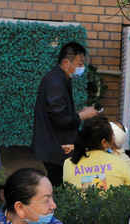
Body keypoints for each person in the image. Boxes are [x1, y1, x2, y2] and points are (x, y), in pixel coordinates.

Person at [32, 42, 101, 188]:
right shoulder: (55, 82)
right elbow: (59, 119)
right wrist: (83, 116)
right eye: (80, 63)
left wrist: (81, 112)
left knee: (61, 186)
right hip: (56, 148)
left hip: (56, 146)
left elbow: (60, 113)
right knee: (59, 188)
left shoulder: (59, 78)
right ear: (66, 62)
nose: (82, 67)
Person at [62, 116, 130, 190]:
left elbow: (88, 192)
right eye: (112, 134)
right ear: (104, 142)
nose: (113, 137)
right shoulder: (122, 163)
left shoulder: (68, 164)